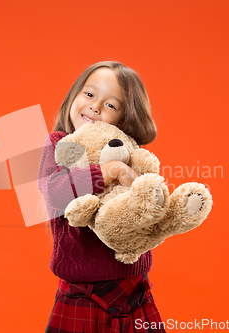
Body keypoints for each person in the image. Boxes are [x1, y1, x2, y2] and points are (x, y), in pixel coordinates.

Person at [38, 61, 166, 333]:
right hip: (81, 292)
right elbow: (55, 193)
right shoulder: (61, 146)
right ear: (74, 95)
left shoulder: (129, 151)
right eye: (89, 94)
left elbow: (147, 209)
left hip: (133, 286)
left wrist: (138, 183)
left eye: (111, 105)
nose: (95, 107)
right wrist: (109, 170)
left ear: (125, 119)